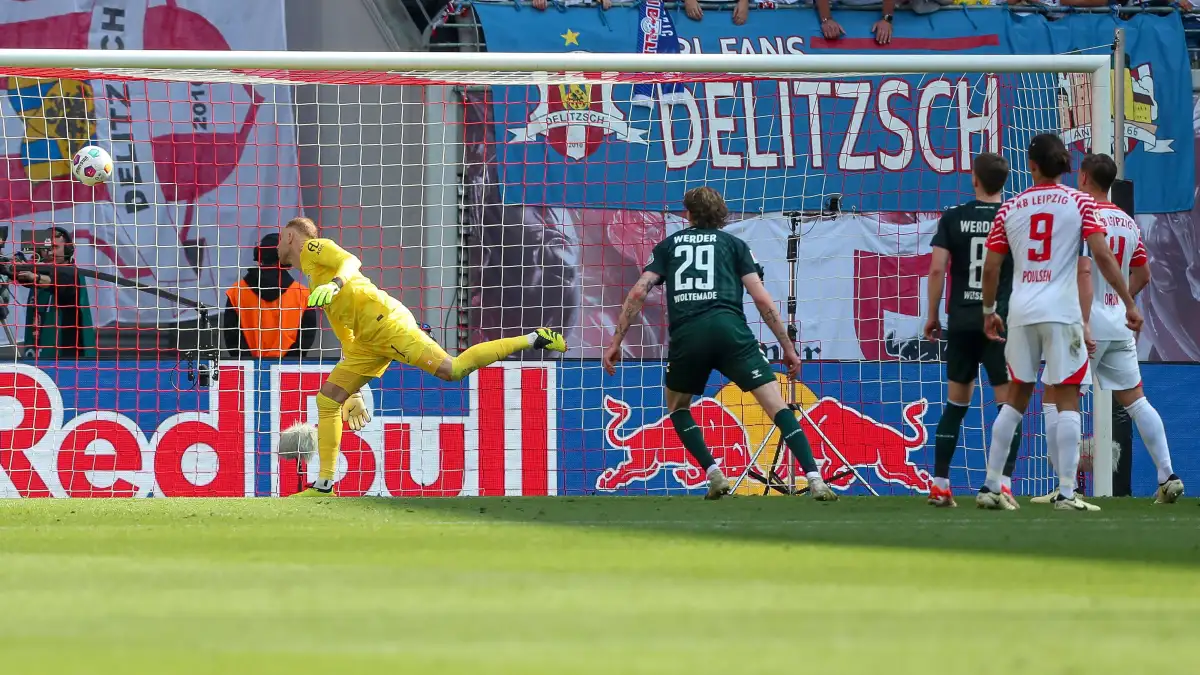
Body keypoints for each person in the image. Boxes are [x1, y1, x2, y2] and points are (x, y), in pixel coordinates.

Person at [276, 217, 567, 497]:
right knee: (328, 400)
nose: (278, 247)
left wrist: (336, 284)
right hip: (367, 341)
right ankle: (324, 485)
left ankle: (532, 338)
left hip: (387, 324)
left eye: (279, 239)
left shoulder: (314, 248)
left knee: (453, 370)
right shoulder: (314, 278)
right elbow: (344, 332)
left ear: (290, 236)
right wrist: (353, 391)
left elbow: (351, 261)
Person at [602, 186, 837, 501]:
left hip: (688, 336)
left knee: (678, 407)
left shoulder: (668, 246)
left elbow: (637, 292)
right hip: (732, 334)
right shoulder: (735, 245)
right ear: (720, 215)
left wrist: (616, 340)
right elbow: (761, 297)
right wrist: (789, 347)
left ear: (688, 215)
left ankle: (715, 475)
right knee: (777, 406)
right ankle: (815, 479)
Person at [975, 134, 1142, 512]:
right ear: (1064, 166)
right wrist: (1129, 301)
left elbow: (991, 266)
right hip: (1063, 314)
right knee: (1067, 399)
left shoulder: (1010, 208)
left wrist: (989, 310)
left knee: (1016, 397)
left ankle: (990, 485)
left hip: (1021, 312)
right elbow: (1100, 255)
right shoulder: (1080, 201)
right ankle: (1067, 492)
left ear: (1031, 165)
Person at [1033, 153, 1182, 505]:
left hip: (1082, 323)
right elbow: (1143, 274)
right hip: (1118, 323)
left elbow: (1083, 268)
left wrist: (1086, 315)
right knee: (1137, 401)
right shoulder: (1129, 224)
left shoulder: (1080, 215)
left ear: (1083, 178)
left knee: (1056, 397)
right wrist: (1121, 302)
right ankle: (1167, 475)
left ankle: (1065, 488)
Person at [923, 153, 1021, 510]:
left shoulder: (953, 217)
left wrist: (932, 315)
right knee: (1009, 406)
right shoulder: (1013, 218)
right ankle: (1001, 484)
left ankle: (939, 484)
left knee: (955, 405)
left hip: (962, 321)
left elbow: (937, 270)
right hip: (999, 322)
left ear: (974, 179)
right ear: (1004, 182)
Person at [223, 233, 318, 360]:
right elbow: (306, 337)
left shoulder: (236, 291)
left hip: (248, 369)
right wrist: (290, 360)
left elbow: (232, 336)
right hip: (288, 369)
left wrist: (247, 360)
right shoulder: (303, 294)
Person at [12, 227, 95, 360]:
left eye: (55, 247)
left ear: (67, 249)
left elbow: (54, 281)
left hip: (69, 356)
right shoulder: (40, 270)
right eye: (45, 247)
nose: (49, 252)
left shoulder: (72, 274)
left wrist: (35, 278)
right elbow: (23, 278)